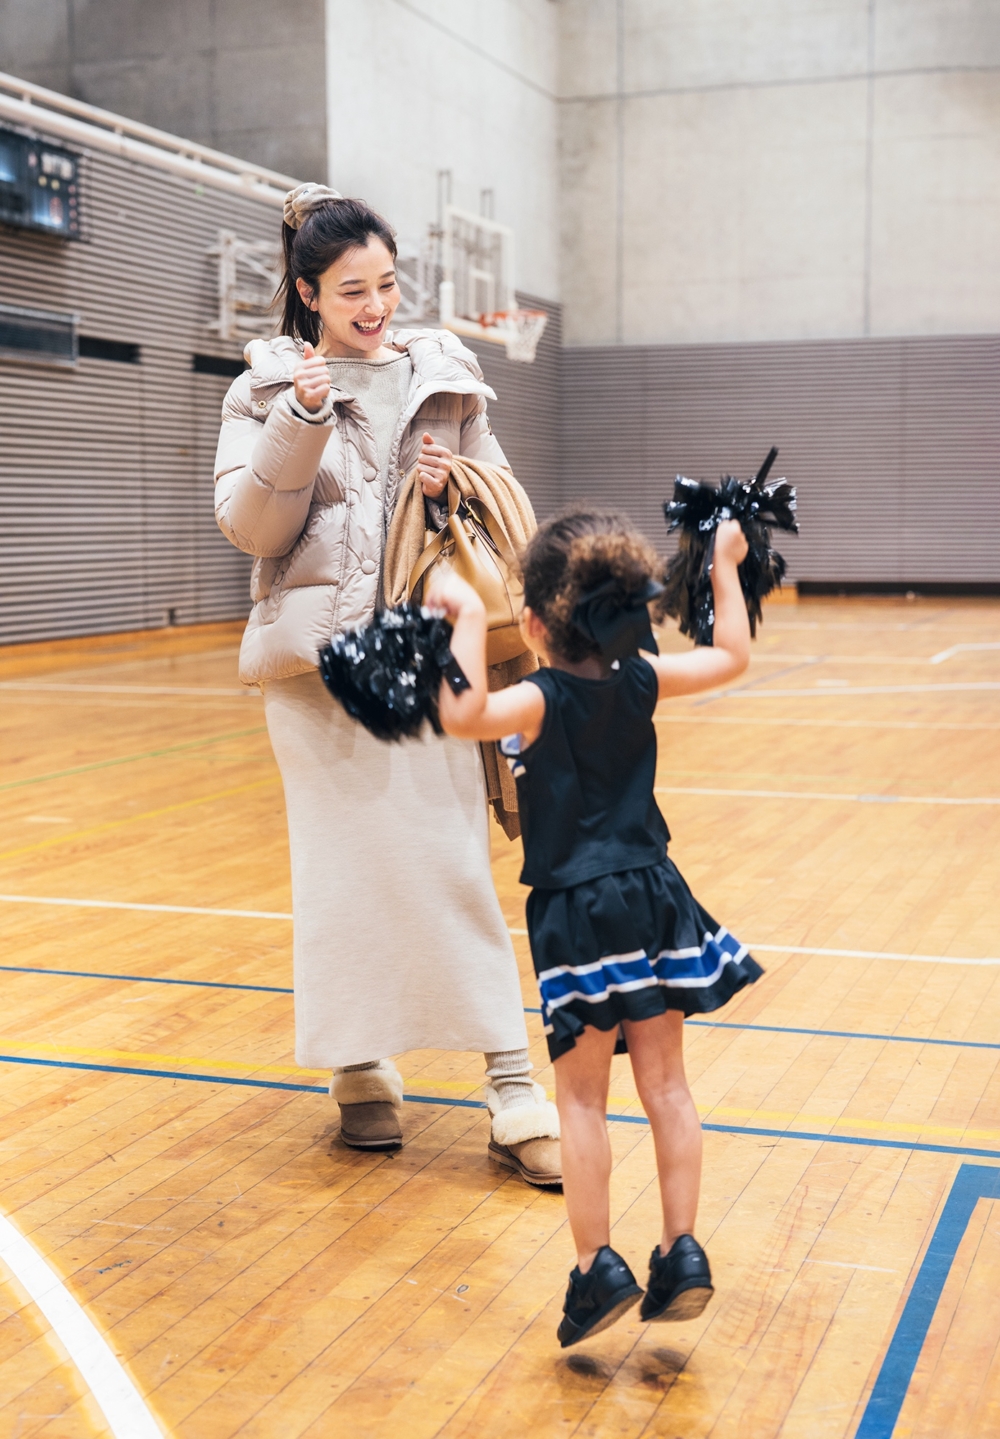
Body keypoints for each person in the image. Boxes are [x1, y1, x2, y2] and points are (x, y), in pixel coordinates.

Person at [213, 182, 561, 1186]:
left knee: (454, 864)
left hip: (430, 658)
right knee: (339, 878)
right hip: (315, 675)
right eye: (352, 290)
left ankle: (510, 1083)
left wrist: (461, 485)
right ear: (308, 293)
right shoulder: (264, 388)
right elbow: (251, 526)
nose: (375, 306)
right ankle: (360, 1065)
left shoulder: (444, 374)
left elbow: (509, 509)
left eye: (388, 284)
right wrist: (302, 419)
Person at [427, 505, 763, 1346]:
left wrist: (461, 615)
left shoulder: (538, 699)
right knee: (668, 1087)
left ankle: (595, 1267)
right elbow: (732, 654)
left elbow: (460, 714)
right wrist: (723, 562)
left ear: (535, 624)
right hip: (654, 893)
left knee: (580, 1100)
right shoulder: (640, 679)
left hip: (578, 911)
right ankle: (682, 1249)